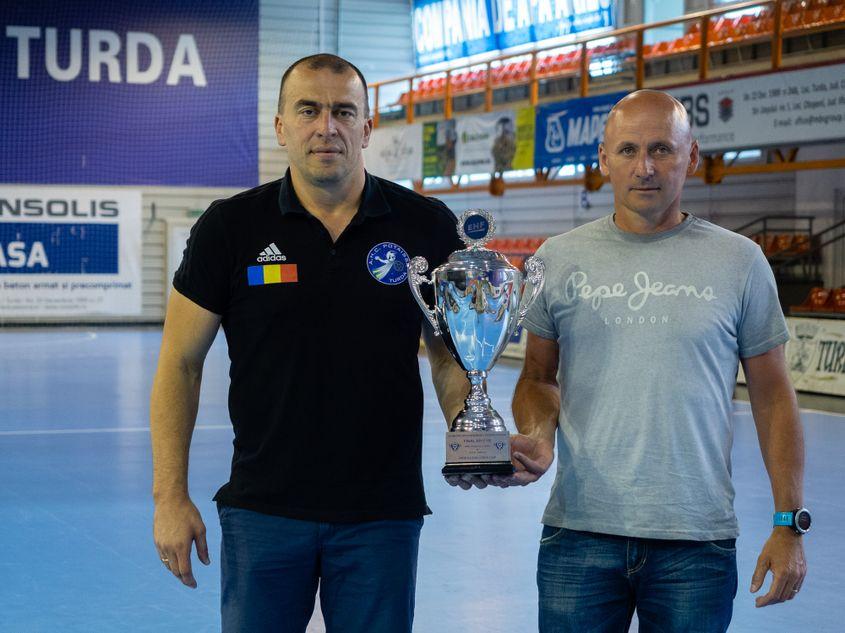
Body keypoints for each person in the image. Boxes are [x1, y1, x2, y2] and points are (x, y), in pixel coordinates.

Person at [455, 90, 809, 631]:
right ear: (603, 160)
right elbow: (537, 378)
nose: (644, 167)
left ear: (692, 156)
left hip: (697, 542)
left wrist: (789, 522)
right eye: (627, 151)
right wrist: (537, 434)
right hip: (579, 534)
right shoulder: (559, 258)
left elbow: (774, 395)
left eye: (662, 149)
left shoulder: (740, 261)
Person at [149, 53, 467, 633]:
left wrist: (471, 432)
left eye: (344, 111)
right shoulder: (230, 228)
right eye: (309, 110)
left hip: (382, 514)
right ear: (281, 126)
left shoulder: (425, 226)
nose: (328, 126)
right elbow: (180, 365)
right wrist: (169, 495)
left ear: (367, 128)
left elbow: (450, 354)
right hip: (263, 509)